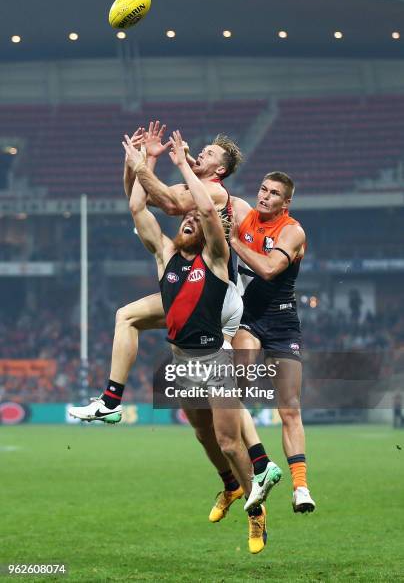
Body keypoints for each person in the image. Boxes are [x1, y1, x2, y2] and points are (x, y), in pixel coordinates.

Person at [69, 123, 281, 521]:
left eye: (209, 155)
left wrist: (159, 163)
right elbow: (139, 203)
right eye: (199, 152)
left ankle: (260, 465)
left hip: (220, 297)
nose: (200, 154)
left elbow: (165, 201)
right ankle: (112, 401)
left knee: (225, 407)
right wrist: (138, 161)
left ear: (220, 169)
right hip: (195, 301)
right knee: (130, 318)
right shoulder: (190, 202)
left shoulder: (214, 193)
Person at [130, 130, 265, 553]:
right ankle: (230, 487)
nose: (186, 222)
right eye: (182, 222)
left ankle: (257, 514)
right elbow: (138, 205)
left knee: (228, 441)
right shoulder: (166, 256)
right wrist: (141, 161)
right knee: (203, 436)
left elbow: (206, 208)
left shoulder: (217, 259)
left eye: (193, 222)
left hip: (215, 360)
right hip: (181, 363)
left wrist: (183, 164)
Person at [229, 171, 316, 514]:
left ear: (286, 202)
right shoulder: (243, 213)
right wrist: (187, 163)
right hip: (247, 319)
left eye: (274, 193)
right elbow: (209, 194)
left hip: (282, 323)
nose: (264, 196)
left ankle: (301, 487)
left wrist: (234, 241)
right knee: (236, 388)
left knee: (290, 407)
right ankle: (256, 469)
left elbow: (268, 269)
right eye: (263, 189)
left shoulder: (293, 231)